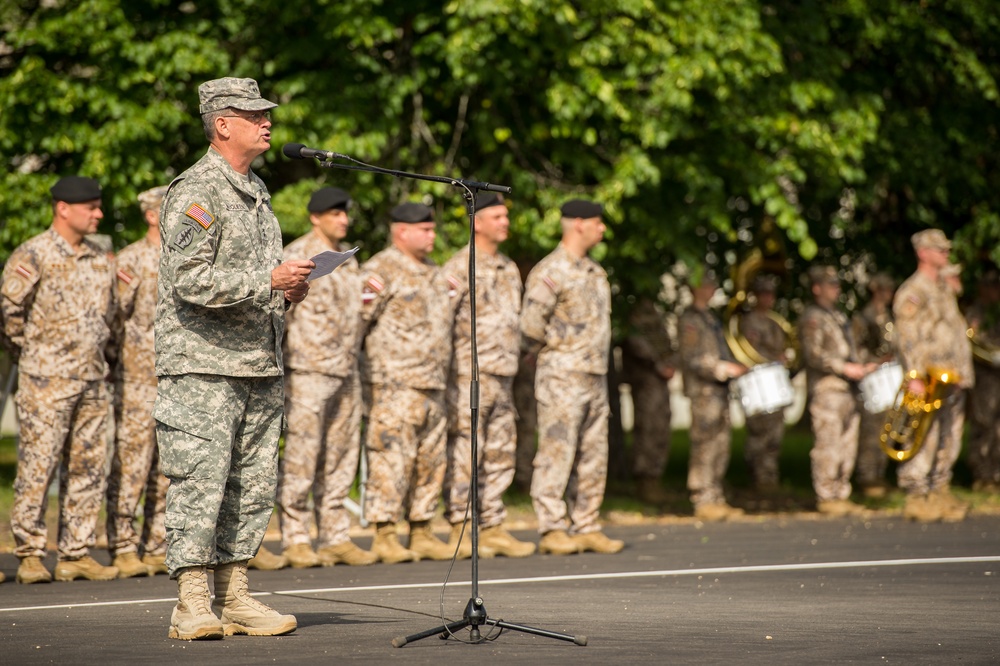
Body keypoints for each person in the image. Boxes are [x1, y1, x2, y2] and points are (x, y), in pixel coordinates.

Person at [154, 77, 312, 640]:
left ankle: (234, 594)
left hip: (257, 363)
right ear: (223, 124)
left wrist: (287, 291)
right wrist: (266, 278)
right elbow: (189, 280)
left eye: (267, 114)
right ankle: (192, 603)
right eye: (254, 115)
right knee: (202, 479)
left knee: (251, 482)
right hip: (202, 365)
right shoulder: (199, 190)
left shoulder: (258, 192)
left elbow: (252, 283)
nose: (268, 122)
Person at [2, 176, 119, 584]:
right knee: (38, 466)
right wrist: (32, 355)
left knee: (88, 467)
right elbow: (10, 312)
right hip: (45, 380)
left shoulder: (101, 255)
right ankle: (31, 554)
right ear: (63, 209)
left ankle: (75, 552)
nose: (99, 214)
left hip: (90, 377)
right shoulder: (34, 253)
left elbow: (110, 317)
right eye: (91, 207)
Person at [276, 187, 376, 568]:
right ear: (315, 216)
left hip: (346, 369)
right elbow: (280, 310)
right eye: (335, 213)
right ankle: (296, 536)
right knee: (303, 455)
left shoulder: (347, 260)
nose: (343, 220)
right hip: (309, 369)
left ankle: (335, 534)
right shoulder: (298, 255)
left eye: (345, 213)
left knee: (340, 455)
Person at [520, 199, 624, 554]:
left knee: (594, 454)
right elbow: (530, 327)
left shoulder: (595, 272)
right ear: (578, 224)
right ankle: (552, 528)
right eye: (598, 222)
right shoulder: (551, 271)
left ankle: (586, 524)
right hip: (562, 376)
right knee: (556, 451)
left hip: (594, 375)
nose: (603, 229)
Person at [442, 193, 535, 559]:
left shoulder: (508, 267)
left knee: (499, 451)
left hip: (504, 374)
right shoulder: (459, 266)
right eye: (497, 216)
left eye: (505, 216)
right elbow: (442, 322)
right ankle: (461, 527)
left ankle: (493, 524)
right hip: (470, 373)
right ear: (477, 221)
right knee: (468, 451)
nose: (505, 222)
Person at [360, 202, 454, 563]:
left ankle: (422, 528)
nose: (432, 235)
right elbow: (358, 324)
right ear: (402, 231)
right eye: (425, 230)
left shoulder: (434, 271)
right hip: (394, 384)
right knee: (390, 459)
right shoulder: (380, 270)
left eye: (433, 229)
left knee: (430, 461)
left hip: (433, 383)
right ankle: (385, 532)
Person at [105, 185, 170, 579]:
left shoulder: (186, 257)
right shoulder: (131, 259)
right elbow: (113, 320)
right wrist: (118, 363)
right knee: (131, 464)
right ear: (151, 214)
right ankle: (123, 544)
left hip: (174, 378)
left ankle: (156, 543)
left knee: (166, 468)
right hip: (136, 380)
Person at [892, 230, 973, 522]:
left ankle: (939, 488)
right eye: (939, 250)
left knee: (950, 433)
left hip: (951, 376)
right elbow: (907, 336)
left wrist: (962, 369)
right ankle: (916, 494)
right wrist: (913, 373)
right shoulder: (914, 290)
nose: (945, 254)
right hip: (929, 376)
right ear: (923, 253)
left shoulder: (942, 288)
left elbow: (952, 331)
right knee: (924, 432)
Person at [798, 265, 874, 517]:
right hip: (827, 388)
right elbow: (813, 354)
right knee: (828, 443)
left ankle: (841, 491)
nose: (836, 289)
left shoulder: (838, 316)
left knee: (847, 443)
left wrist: (864, 365)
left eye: (837, 284)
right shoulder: (813, 317)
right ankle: (827, 495)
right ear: (816, 288)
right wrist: (844, 368)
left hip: (847, 389)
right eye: (830, 284)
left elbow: (849, 350)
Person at [677, 270, 747, 521]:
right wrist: (723, 368)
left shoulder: (710, 318)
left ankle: (716, 495)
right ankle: (702, 498)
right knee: (705, 445)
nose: (711, 289)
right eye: (706, 284)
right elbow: (691, 357)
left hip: (719, 390)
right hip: (704, 391)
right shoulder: (690, 320)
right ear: (695, 288)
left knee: (721, 444)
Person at [618, 297, 675, 505]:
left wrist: (669, 363)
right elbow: (636, 343)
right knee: (647, 428)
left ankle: (655, 478)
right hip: (646, 381)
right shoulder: (634, 313)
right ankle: (645, 482)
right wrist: (657, 363)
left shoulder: (655, 312)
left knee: (662, 427)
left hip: (660, 380)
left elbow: (665, 343)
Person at [739, 274, 789, 491]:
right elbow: (749, 352)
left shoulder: (774, 322)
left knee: (775, 434)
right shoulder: (749, 321)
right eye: (764, 294)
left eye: (771, 294)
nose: (768, 298)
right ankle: (757, 476)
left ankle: (770, 475)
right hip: (759, 383)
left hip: (775, 382)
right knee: (759, 432)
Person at [850, 272, 896, 499]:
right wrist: (875, 362)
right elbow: (856, 348)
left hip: (890, 377)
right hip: (873, 378)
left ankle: (880, 473)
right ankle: (867, 476)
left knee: (887, 428)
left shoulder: (890, 317)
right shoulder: (864, 317)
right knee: (871, 430)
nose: (888, 294)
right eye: (885, 290)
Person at [965, 269, 1000, 492]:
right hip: (984, 377)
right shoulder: (976, 312)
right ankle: (981, 474)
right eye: (991, 286)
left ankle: (996, 473)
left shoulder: (997, 312)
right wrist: (992, 356)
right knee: (983, 423)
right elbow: (972, 341)